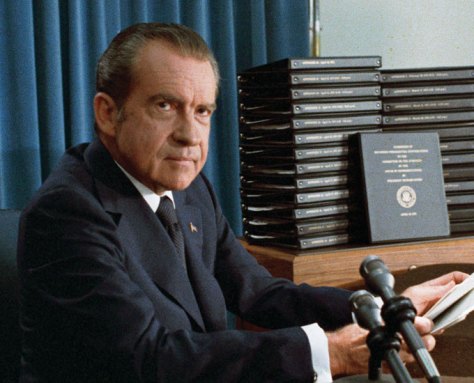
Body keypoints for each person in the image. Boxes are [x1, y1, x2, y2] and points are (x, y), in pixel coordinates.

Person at [17, 22, 467, 383]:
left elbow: (261, 292)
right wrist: (329, 353)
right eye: (165, 106)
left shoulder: (189, 187)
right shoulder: (65, 214)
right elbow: (148, 359)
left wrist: (383, 305)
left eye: (202, 111)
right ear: (108, 113)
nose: (190, 135)